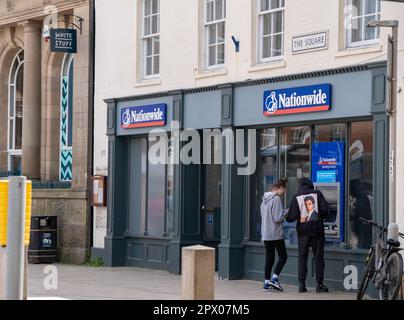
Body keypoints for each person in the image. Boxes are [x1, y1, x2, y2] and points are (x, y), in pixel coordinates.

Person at [286, 178, 329, 293]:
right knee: (318, 257)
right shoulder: (317, 194)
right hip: (317, 231)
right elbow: (326, 210)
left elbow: (291, 217)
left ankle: (301, 284)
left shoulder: (296, 196)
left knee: (302, 257)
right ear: (310, 185)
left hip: (303, 232)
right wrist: (320, 218)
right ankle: (319, 284)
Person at [260, 178, 288, 292]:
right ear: (280, 188)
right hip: (275, 234)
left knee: (269, 258)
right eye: (283, 191)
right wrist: (286, 211)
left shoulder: (264, 199)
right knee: (283, 256)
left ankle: (266, 283)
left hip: (266, 233)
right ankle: (275, 279)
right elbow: (277, 218)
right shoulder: (276, 199)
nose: (283, 194)